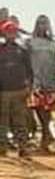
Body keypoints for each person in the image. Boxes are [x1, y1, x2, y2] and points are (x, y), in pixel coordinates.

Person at [0, 18, 34, 160]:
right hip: (3, 91)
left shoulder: (22, 49)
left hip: (19, 90)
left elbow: (29, 70)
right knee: (2, 121)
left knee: (20, 120)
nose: (10, 34)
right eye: (8, 32)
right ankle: (2, 147)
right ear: (3, 33)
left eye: (13, 32)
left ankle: (23, 148)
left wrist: (29, 87)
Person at [28, 15, 55, 152]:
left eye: (44, 23)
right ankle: (46, 135)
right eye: (40, 23)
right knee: (37, 109)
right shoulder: (30, 43)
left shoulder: (54, 44)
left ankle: (45, 139)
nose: (42, 26)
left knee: (47, 111)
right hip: (36, 81)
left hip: (50, 81)